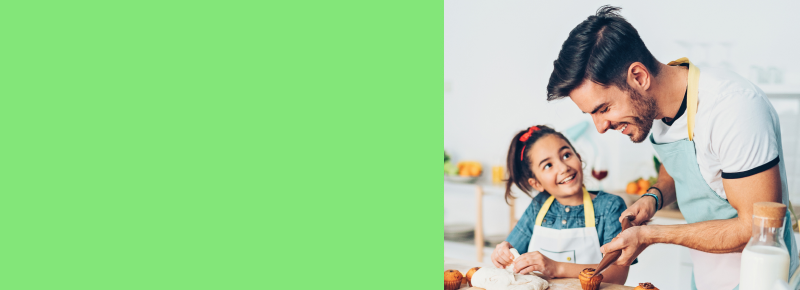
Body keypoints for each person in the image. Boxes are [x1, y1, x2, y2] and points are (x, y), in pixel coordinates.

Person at [546, 5, 798, 290]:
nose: (600, 127)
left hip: (763, 281)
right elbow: (681, 168)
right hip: (707, 277)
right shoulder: (659, 109)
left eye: (603, 109)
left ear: (639, 77)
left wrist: (650, 235)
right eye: (591, 114)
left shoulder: (733, 108)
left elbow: (756, 227)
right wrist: (652, 198)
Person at [491, 125, 633, 285]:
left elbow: (618, 273)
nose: (563, 167)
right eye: (548, 165)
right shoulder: (538, 205)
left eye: (566, 155)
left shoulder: (609, 207)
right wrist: (503, 253)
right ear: (537, 183)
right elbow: (512, 255)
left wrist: (556, 268)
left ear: (578, 157)